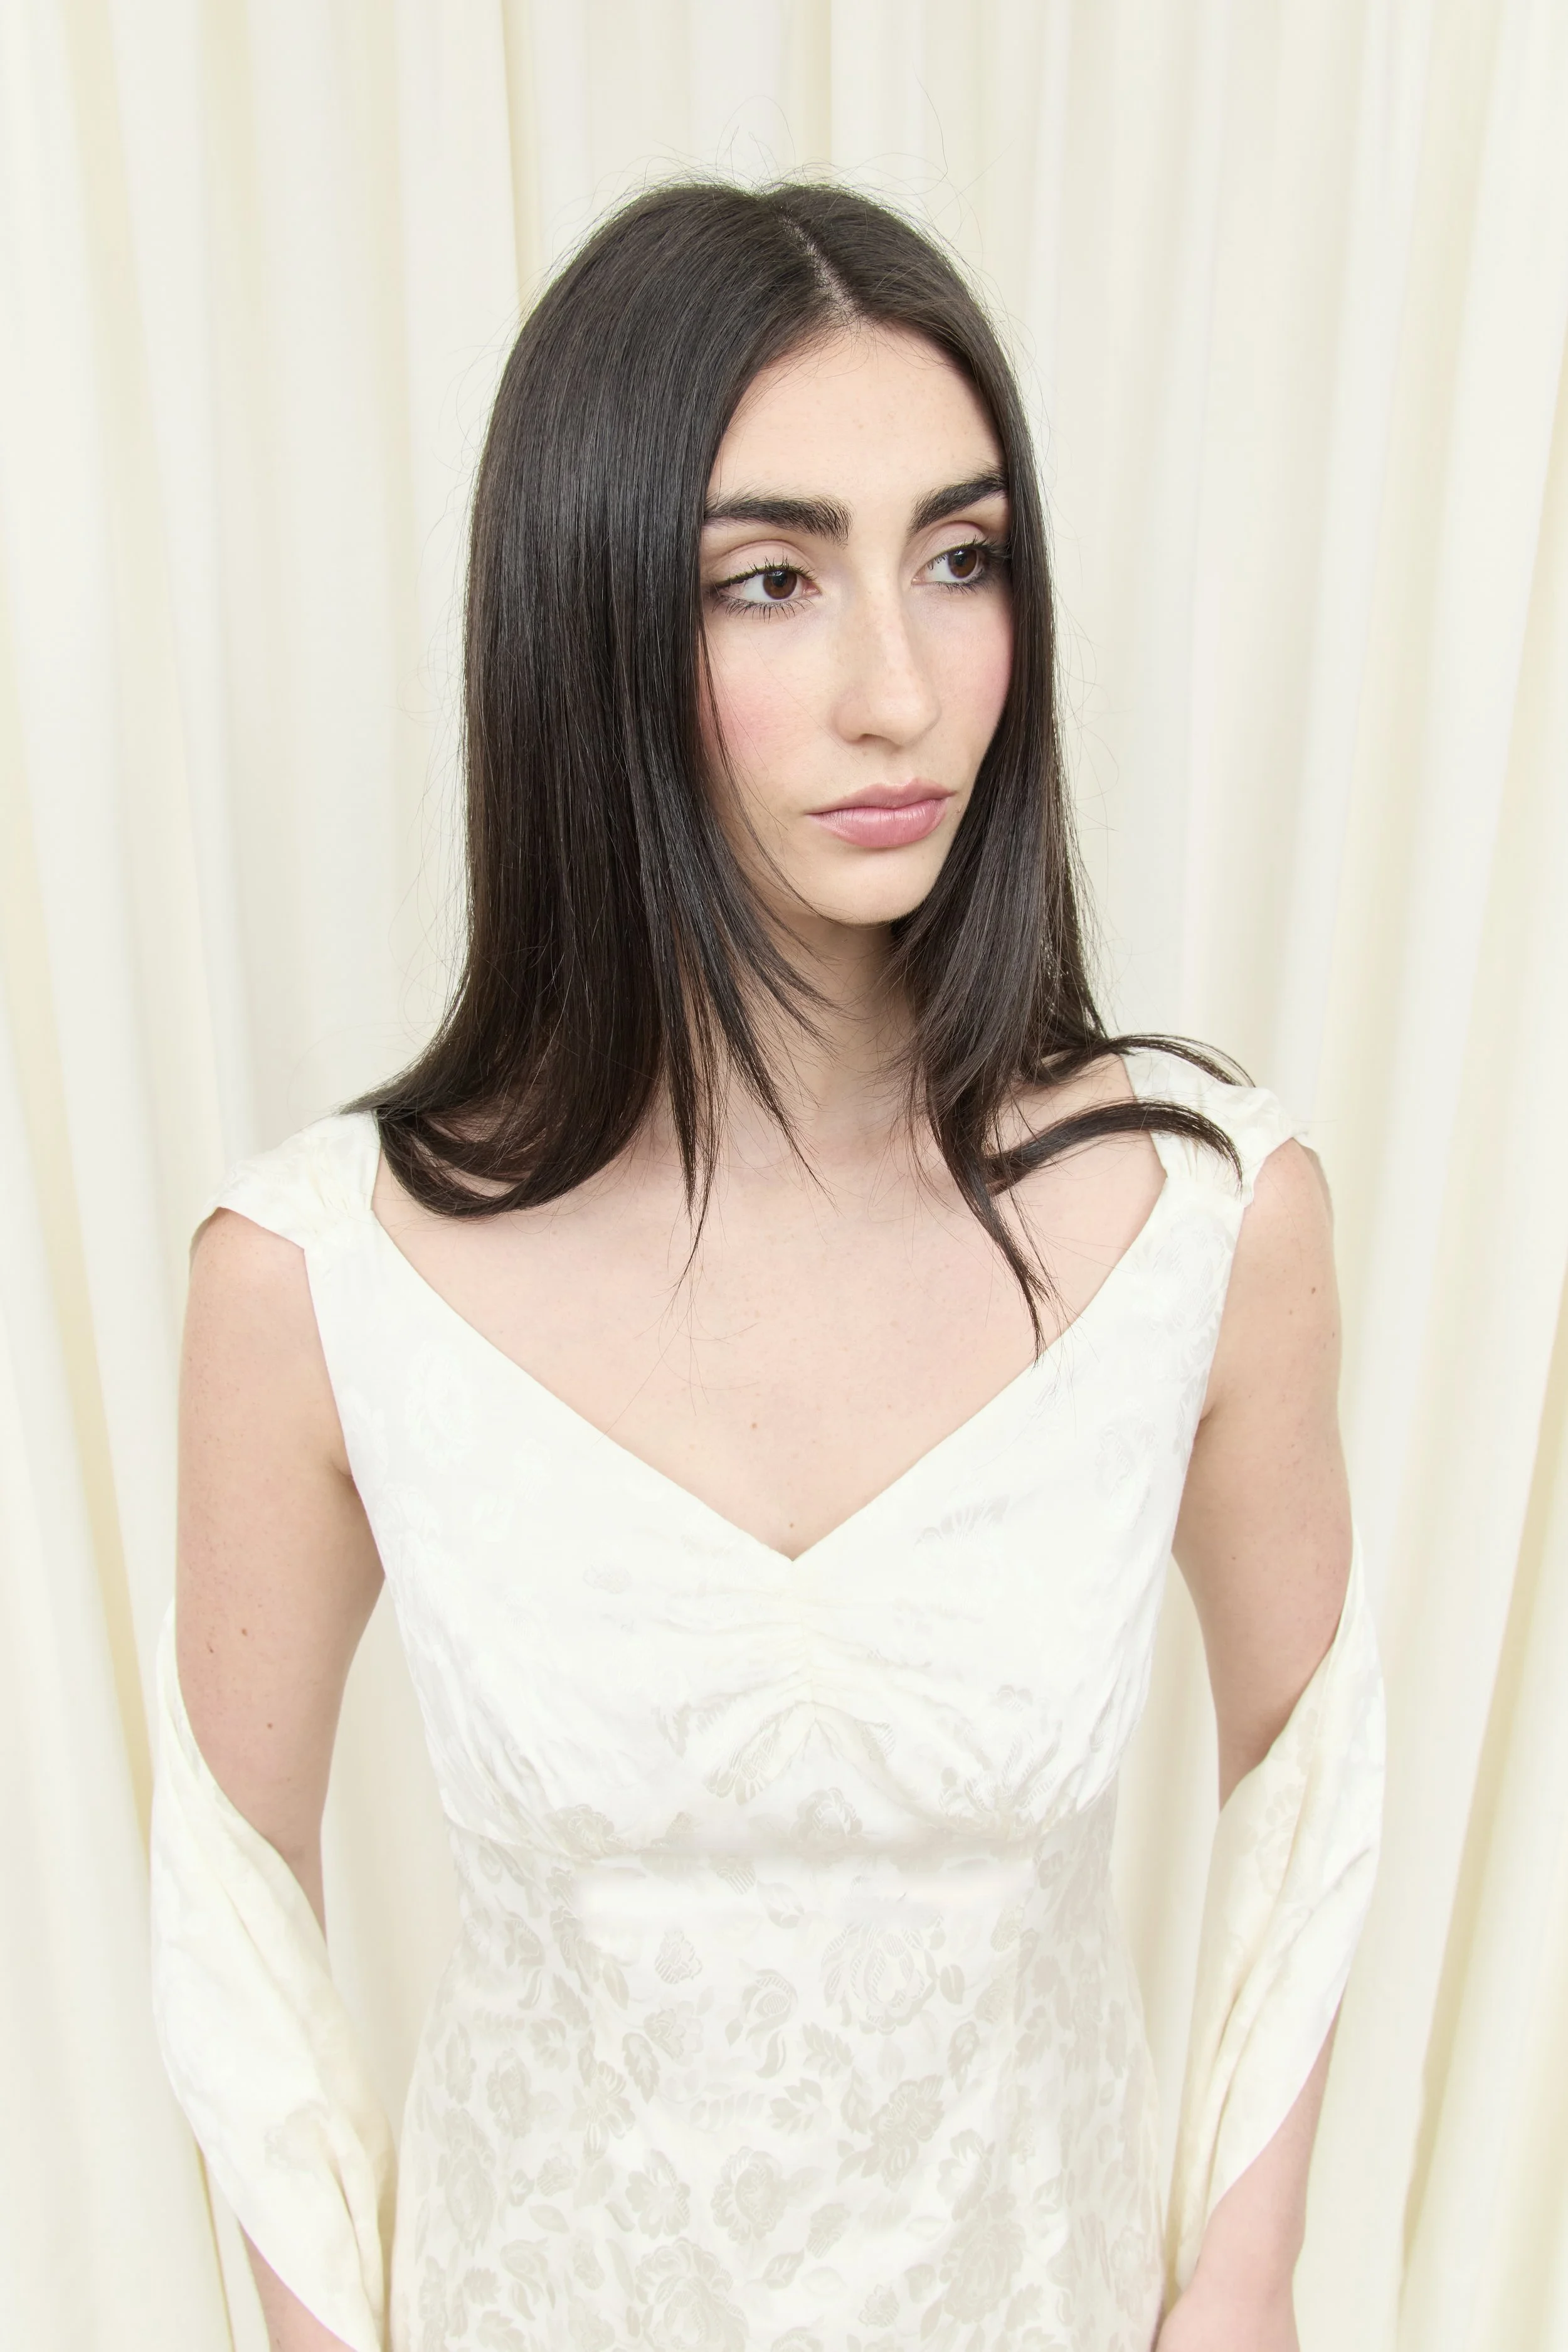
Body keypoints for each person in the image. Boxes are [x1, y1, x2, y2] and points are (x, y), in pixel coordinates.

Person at [151, 181, 1383, 2352]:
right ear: (591, 618)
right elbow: (234, 1899)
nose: (899, 688)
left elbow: (1307, 1765)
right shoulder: (316, 1279)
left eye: (959, 557)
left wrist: (1244, 2272)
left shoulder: (1202, 1221)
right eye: (771, 579)